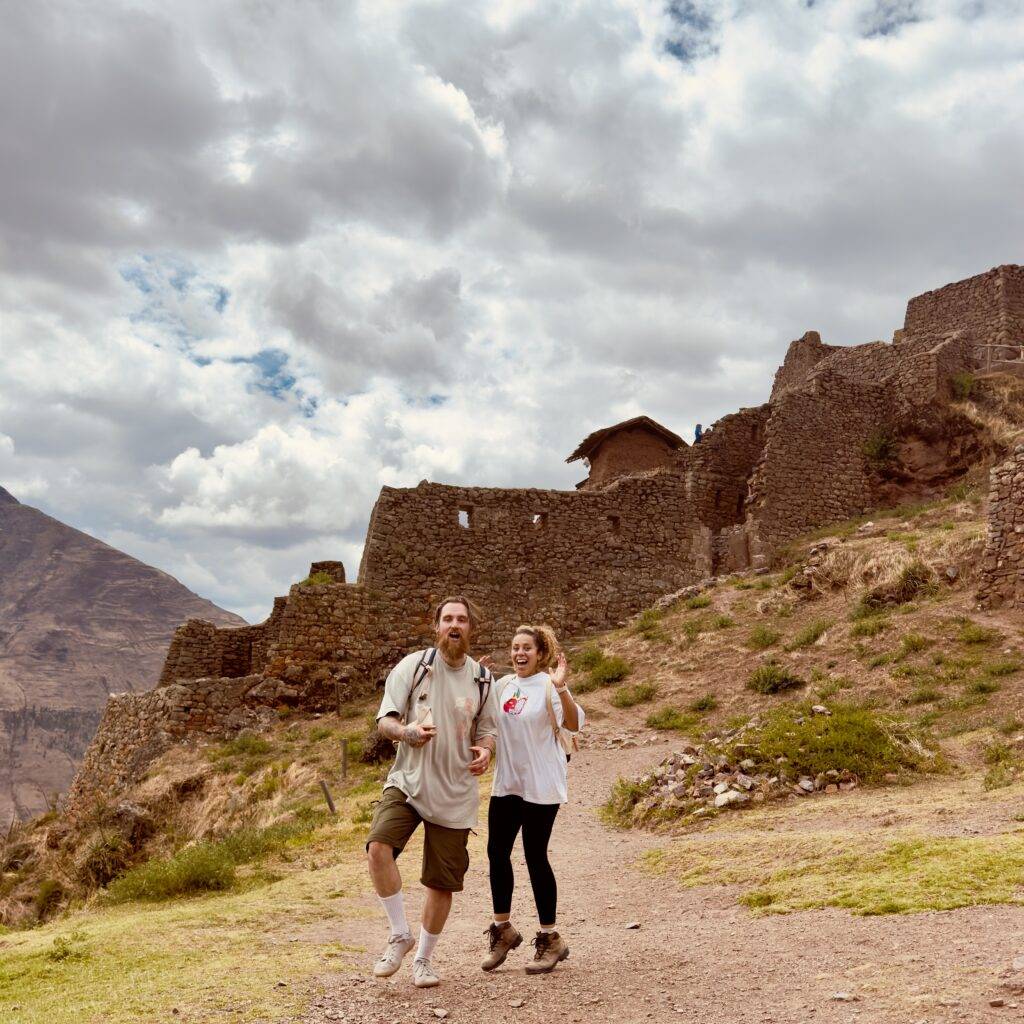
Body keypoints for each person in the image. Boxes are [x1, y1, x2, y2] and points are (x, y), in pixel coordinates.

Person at [366, 596, 498, 988]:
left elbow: (488, 730)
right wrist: (405, 731)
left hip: (455, 792)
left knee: (441, 883)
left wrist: (486, 751)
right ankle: (399, 935)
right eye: (448, 619)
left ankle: (423, 959)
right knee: (378, 848)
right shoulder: (414, 667)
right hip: (408, 781)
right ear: (436, 626)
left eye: (462, 620)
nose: (454, 625)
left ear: (471, 628)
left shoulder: (483, 680)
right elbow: (385, 721)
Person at [482, 624, 584, 974]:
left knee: (534, 856)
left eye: (527, 647)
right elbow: (481, 719)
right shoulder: (503, 686)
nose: (519, 653)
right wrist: (475, 682)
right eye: (515, 647)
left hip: (541, 784)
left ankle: (550, 938)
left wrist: (562, 688)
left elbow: (574, 724)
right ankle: (503, 930)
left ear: (540, 654)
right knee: (496, 852)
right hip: (508, 782)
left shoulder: (548, 685)